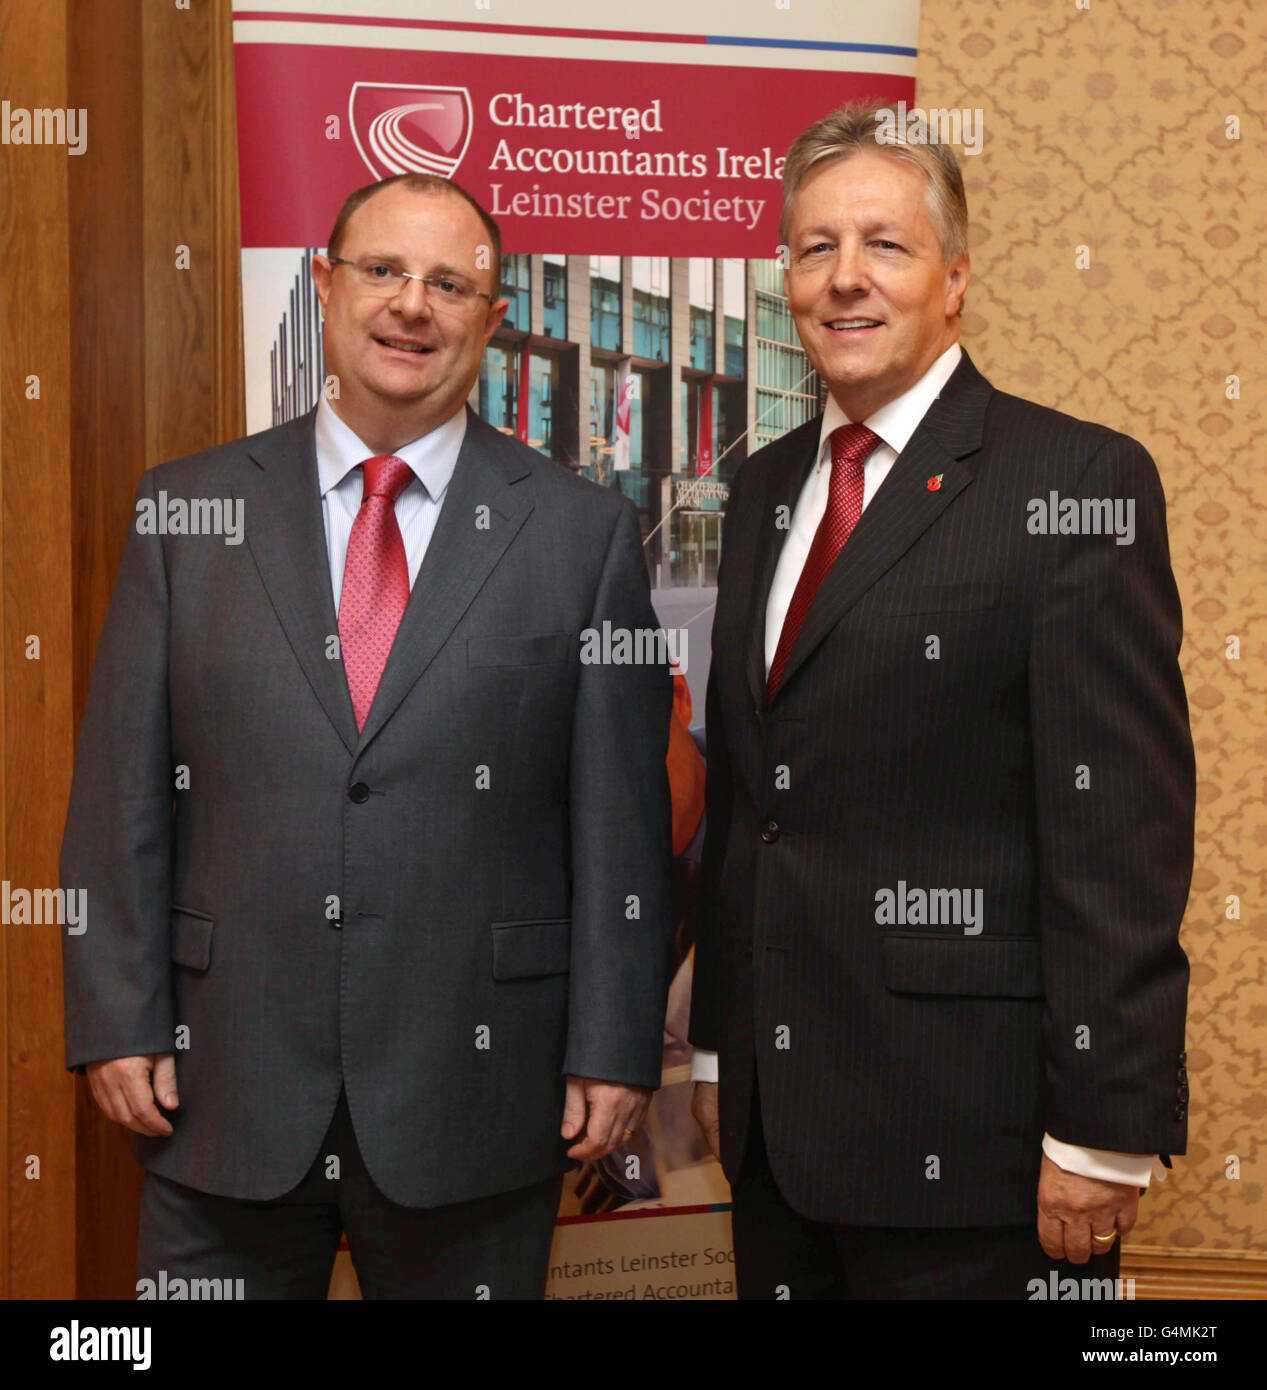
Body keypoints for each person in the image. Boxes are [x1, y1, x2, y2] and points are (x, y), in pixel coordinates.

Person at [61, 172, 674, 1299]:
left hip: (480, 1086)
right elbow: (120, 797)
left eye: (450, 284)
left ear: (492, 324)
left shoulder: (582, 537)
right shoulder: (186, 515)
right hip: (220, 1079)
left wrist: (614, 1042)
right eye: (384, 271)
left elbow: (621, 828)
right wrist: (116, 1013)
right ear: (327, 285)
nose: (412, 305)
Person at [689, 102, 1195, 1299]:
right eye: (814, 249)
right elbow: (752, 802)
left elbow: (1117, 831)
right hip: (776, 1136)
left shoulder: (1072, 479)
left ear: (955, 279)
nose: (843, 280)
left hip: (979, 1145)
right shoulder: (763, 487)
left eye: (885, 245)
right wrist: (718, 1043)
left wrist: (1101, 1131)